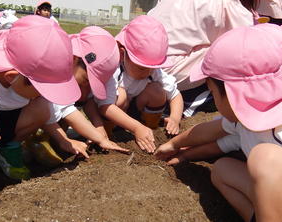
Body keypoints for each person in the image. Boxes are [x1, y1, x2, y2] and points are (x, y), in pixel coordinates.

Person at [155, 23, 282, 222]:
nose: (213, 98)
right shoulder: (245, 123)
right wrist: (179, 151)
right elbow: (211, 136)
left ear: (233, 95)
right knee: (222, 170)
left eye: (213, 93)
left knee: (265, 159)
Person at [0, 15, 81, 197]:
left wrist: (64, 141)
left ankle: (6, 150)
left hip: (3, 128)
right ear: (11, 76)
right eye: (40, 88)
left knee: (42, 106)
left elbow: (50, 118)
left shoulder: (20, 79)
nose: (43, 93)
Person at [28, 26, 129, 167]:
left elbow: (66, 109)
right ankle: (26, 142)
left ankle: (44, 140)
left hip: (37, 114)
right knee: (44, 107)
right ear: (75, 59)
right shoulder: (49, 66)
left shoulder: (66, 69)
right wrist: (64, 140)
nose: (87, 85)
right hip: (9, 117)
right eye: (87, 79)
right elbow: (51, 108)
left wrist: (100, 138)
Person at [147, 0, 260, 117]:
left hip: (143, 65)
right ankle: (198, 98)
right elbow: (248, 41)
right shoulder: (226, 4)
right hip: (170, 73)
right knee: (229, 49)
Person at [94, 15, 183, 154]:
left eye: (152, 67)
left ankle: (151, 130)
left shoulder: (153, 71)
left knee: (157, 91)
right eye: (142, 67)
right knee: (121, 95)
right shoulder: (114, 68)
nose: (148, 72)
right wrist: (135, 128)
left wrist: (175, 118)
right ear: (123, 52)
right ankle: (108, 133)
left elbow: (176, 95)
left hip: (137, 111)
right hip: (114, 112)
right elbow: (105, 106)